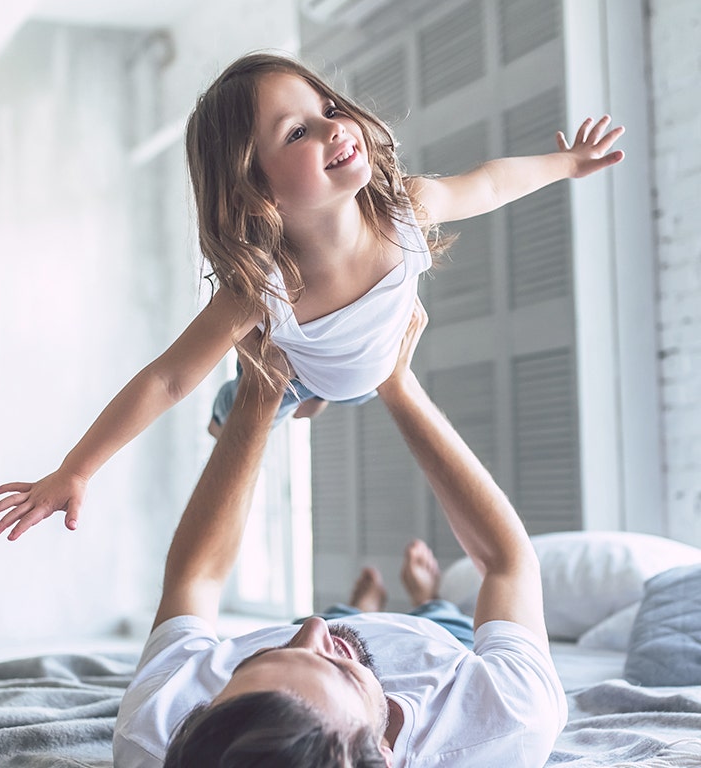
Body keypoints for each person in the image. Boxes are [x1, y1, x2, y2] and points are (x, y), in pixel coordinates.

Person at [0, 51, 624, 540]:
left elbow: (486, 185)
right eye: (297, 133)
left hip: (374, 358)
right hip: (303, 371)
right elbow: (168, 379)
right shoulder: (263, 291)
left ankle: (317, 397)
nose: (332, 128)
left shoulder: (406, 211)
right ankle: (283, 399)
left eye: (328, 110)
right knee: (255, 395)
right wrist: (77, 467)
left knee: (322, 388)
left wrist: (566, 164)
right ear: (253, 188)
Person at [112, 302, 568, 768]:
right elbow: (507, 564)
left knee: (338, 619)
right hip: (438, 642)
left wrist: (260, 390)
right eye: (337, 671)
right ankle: (424, 597)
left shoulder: (157, 730)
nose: (311, 629)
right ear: (384, 756)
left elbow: (196, 579)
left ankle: (360, 609)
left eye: (254, 665)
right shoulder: (506, 719)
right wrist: (397, 385)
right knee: (440, 613)